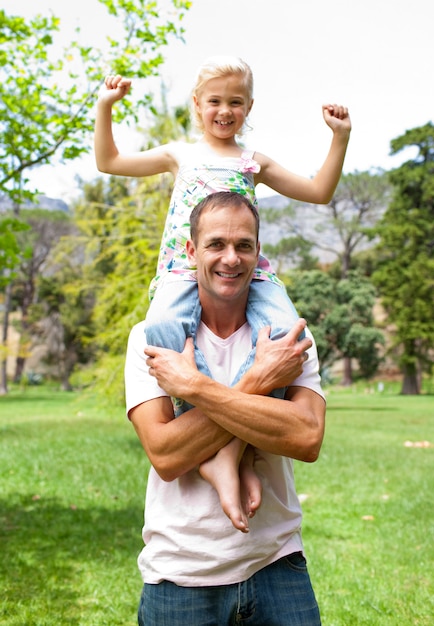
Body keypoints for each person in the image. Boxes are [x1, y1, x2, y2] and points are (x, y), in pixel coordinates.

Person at [95, 55, 349, 531]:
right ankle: (216, 451)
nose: (224, 110)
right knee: (163, 331)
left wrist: (340, 139)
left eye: (235, 101)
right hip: (181, 272)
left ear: (249, 106)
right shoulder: (180, 154)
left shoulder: (255, 162)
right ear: (197, 105)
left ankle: (235, 453)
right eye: (215, 101)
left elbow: (318, 191)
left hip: (249, 275)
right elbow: (109, 162)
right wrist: (106, 107)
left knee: (285, 337)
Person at [125, 191, 326, 625]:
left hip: (277, 561)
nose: (231, 258)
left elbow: (306, 436)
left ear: (259, 252)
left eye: (244, 245)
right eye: (216, 244)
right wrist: (258, 383)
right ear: (192, 251)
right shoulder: (151, 337)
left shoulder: (288, 341)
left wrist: (194, 387)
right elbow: (167, 454)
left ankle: (232, 460)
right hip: (181, 572)